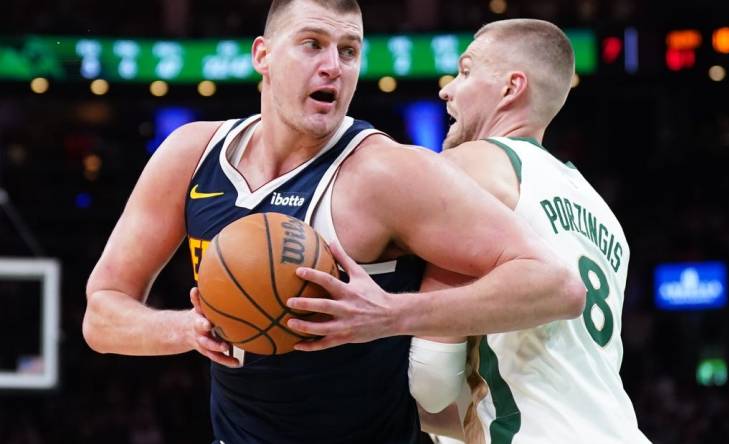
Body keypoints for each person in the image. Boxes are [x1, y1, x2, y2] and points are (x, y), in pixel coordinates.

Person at [82, 1, 585, 442]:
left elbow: (557, 285)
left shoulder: (386, 172)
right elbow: (102, 315)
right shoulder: (191, 154)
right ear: (263, 55)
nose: (332, 67)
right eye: (312, 44)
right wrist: (190, 329)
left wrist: (390, 315)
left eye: (349, 51)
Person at [289, 18, 651, 444]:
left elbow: (432, 376)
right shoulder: (602, 212)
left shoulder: (473, 165)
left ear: (511, 88)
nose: (446, 88)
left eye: (465, 71)